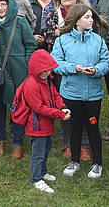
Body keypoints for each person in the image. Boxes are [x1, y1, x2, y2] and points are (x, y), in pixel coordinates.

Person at [52, 4, 109, 179]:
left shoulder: (98, 40)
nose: (91, 20)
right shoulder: (62, 40)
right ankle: (75, 161)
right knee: (74, 128)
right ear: (77, 20)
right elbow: (56, 63)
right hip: (71, 93)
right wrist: (73, 68)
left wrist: (96, 70)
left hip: (93, 94)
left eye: (91, 17)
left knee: (93, 127)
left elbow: (106, 63)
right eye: (87, 17)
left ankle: (97, 163)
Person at [0, 0, 37, 159]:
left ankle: (18, 142)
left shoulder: (20, 22)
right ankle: (0, 140)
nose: (0, 8)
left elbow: (30, 45)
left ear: (9, 5)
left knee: (18, 109)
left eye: (3, 4)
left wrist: (26, 63)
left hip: (18, 73)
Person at [14, 49, 71, 194]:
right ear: (36, 69)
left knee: (46, 150)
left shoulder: (46, 79)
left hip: (46, 125)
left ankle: (42, 171)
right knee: (38, 153)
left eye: (48, 70)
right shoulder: (31, 85)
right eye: (44, 71)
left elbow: (55, 95)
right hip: (37, 126)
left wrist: (62, 107)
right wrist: (59, 114)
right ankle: (36, 179)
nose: (47, 73)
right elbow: (39, 108)